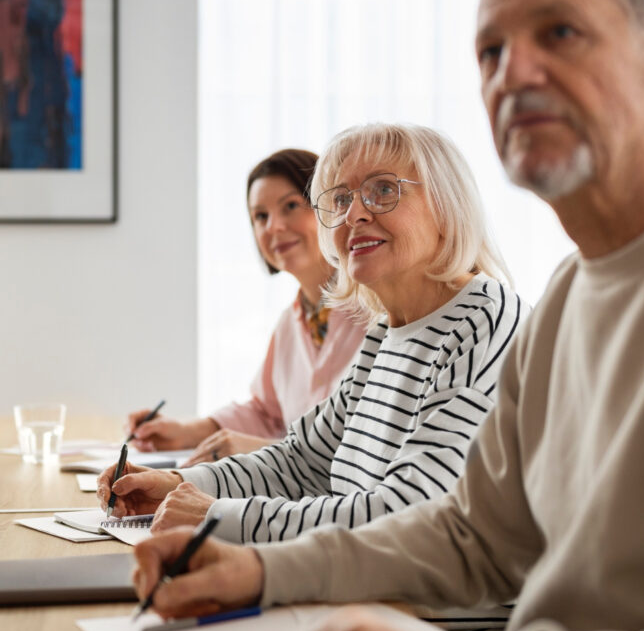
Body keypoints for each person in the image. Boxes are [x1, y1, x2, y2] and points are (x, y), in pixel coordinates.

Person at [133, 0, 644, 631]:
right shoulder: (568, 301)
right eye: (489, 52)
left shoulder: (501, 312)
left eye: (560, 32)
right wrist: (256, 571)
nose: (515, 73)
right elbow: (472, 536)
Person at [100, 126, 526, 585]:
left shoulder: (483, 320)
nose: (354, 214)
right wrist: (182, 486)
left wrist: (218, 516)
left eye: (383, 190)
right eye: (340, 200)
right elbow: (305, 460)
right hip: (362, 598)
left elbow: (408, 515)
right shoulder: (387, 329)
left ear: (447, 206)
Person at [128, 148, 367, 466]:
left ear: (331, 206)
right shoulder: (291, 323)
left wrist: (256, 450)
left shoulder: (379, 310)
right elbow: (267, 414)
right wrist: (185, 431)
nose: (274, 227)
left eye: (291, 206)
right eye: (261, 216)